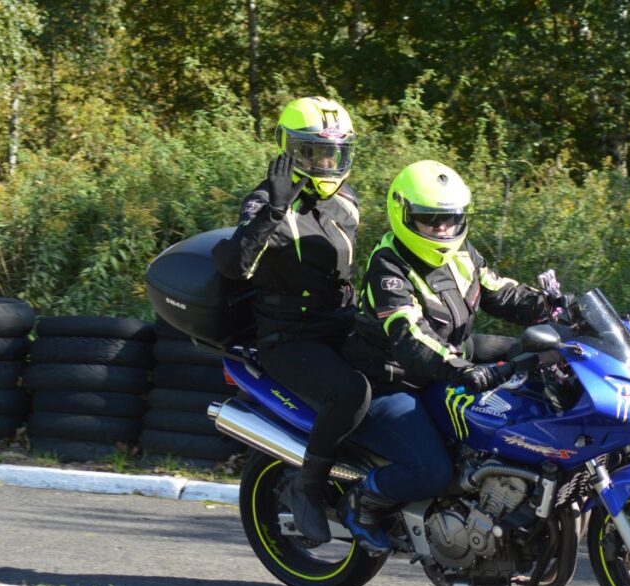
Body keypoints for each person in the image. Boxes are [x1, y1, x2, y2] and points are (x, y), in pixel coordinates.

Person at [340, 160, 559, 553]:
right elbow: (409, 337)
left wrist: (558, 308)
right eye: (430, 219)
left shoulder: (462, 254)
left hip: (442, 368)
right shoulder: (389, 267)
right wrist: (461, 368)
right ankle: (362, 502)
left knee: (529, 367)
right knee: (433, 470)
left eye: (451, 219)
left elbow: (502, 292)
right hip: (390, 382)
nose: (442, 229)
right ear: (403, 214)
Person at [212, 96, 366, 544]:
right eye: (314, 152)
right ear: (289, 149)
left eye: (334, 153)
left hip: (340, 323)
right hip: (290, 336)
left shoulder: (348, 201)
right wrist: (275, 210)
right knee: (350, 392)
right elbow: (235, 264)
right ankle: (307, 488)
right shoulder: (264, 199)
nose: (326, 163)